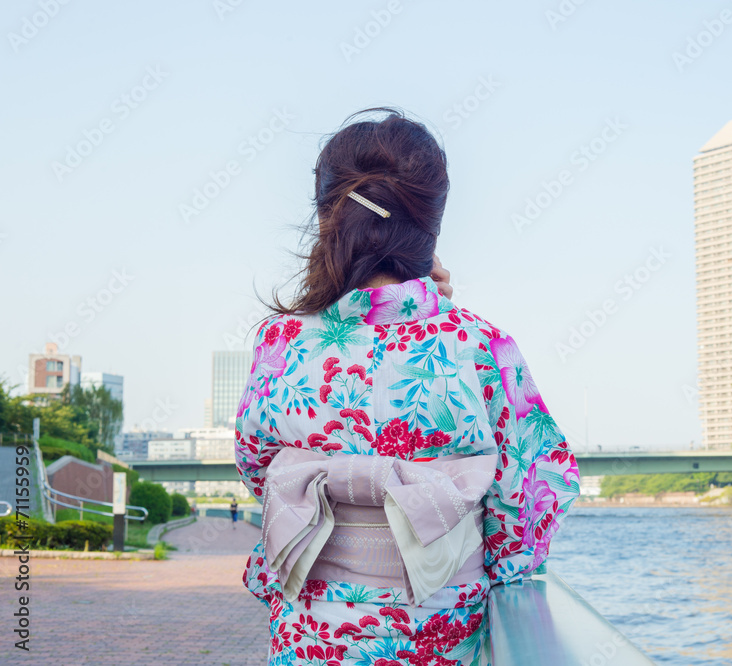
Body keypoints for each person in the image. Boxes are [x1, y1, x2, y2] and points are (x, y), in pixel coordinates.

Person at [234, 108, 579, 665]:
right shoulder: (480, 345)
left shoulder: (280, 342)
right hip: (438, 631)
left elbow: (258, 468)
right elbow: (532, 497)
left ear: (326, 218)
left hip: (312, 634)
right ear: (431, 225)